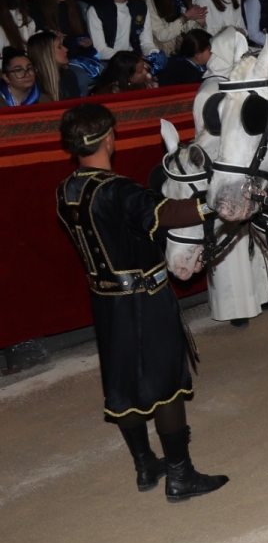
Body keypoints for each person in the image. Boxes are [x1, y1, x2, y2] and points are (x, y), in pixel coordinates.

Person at [55, 103, 229, 502]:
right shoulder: (117, 189)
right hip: (144, 297)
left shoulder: (64, 191)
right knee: (165, 384)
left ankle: (145, 465)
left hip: (105, 300)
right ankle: (181, 475)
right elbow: (166, 213)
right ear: (109, 138)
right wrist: (214, 202)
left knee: (123, 384)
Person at [87, 0, 161, 62]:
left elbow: (146, 42)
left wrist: (154, 53)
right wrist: (131, 59)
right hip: (110, 61)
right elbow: (101, 50)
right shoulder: (97, 10)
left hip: (135, 59)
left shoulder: (140, 6)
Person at [27, 30, 82, 101]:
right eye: (59, 47)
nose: (66, 49)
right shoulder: (34, 84)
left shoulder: (69, 76)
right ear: (46, 53)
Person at [90, 51, 157, 94]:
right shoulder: (109, 92)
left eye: (144, 68)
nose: (145, 72)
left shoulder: (148, 79)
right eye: (140, 72)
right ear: (127, 76)